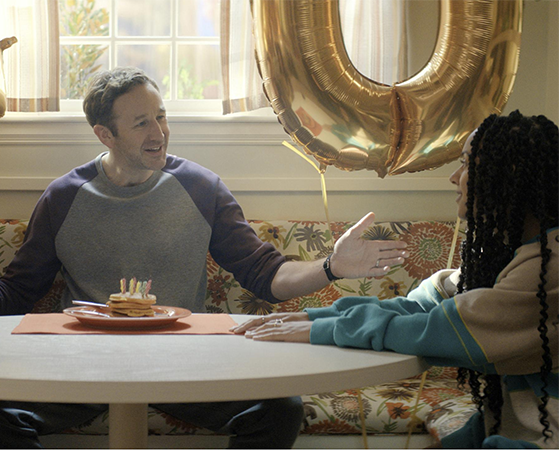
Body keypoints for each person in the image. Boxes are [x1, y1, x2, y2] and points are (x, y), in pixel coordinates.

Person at [0, 67, 407, 448]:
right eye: (141, 123)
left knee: (279, 409)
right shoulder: (63, 197)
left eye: (160, 116)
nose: (159, 131)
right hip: (83, 366)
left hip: (187, 363)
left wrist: (330, 267)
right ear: (104, 134)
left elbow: (264, 274)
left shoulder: (201, 187)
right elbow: (17, 292)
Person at [232, 111, 558, 448]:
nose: (454, 178)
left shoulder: (547, 269)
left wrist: (323, 329)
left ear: (508, 175)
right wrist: (315, 317)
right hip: (510, 428)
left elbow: (444, 330)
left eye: (465, 164)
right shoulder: (509, 254)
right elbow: (422, 305)